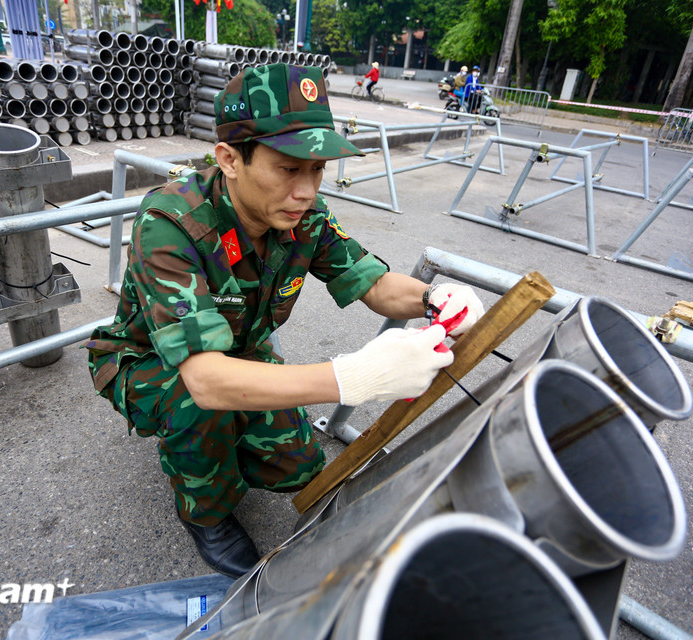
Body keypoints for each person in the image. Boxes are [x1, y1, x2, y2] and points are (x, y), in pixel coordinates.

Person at [85, 63, 485, 579]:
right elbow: (205, 379)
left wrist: (436, 298)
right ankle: (204, 512)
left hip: (241, 353)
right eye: (289, 168)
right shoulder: (170, 223)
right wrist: (352, 377)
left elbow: (375, 285)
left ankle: (228, 452)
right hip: (151, 362)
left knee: (300, 467)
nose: (306, 190)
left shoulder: (304, 216)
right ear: (229, 160)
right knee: (200, 406)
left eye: (317, 169)